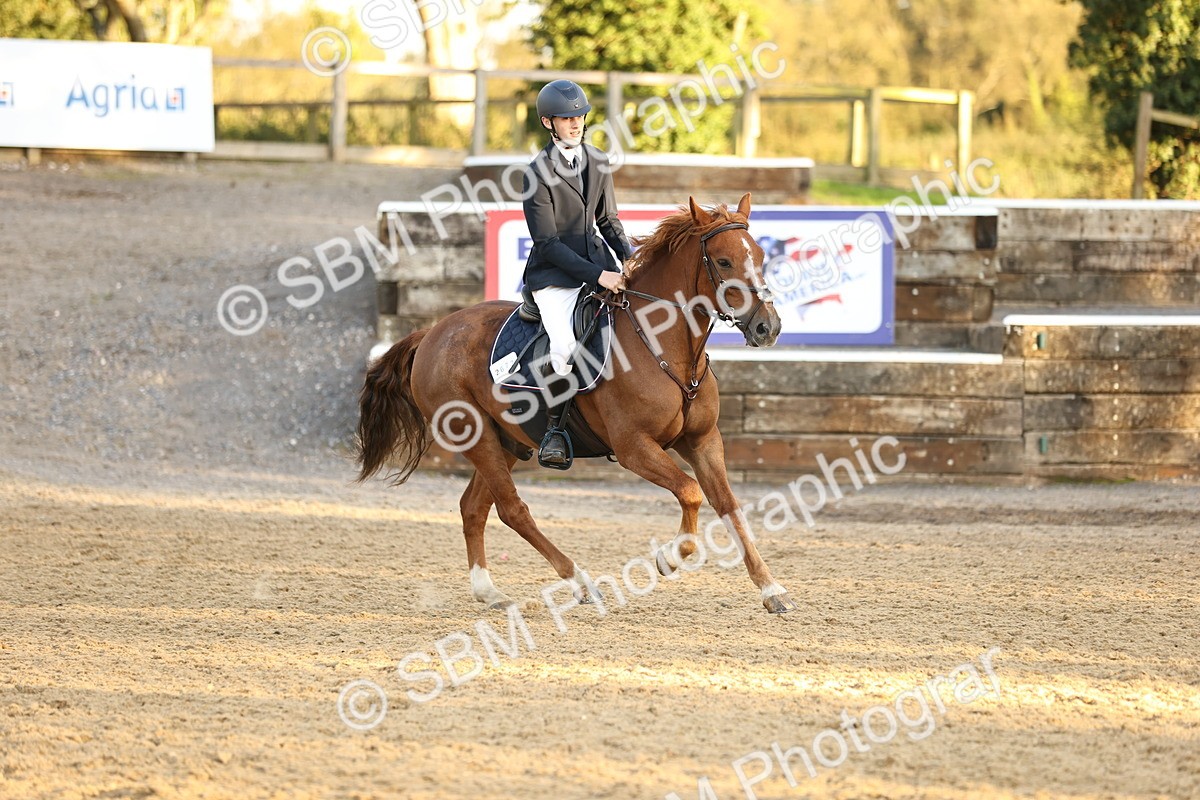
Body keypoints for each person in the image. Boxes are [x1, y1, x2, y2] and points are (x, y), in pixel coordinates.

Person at [521, 79, 630, 466]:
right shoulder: (536, 173)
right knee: (565, 349)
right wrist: (597, 277)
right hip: (554, 276)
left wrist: (628, 257)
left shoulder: (598, 160)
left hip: (601, 264)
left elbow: (608, 219)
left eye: (579, 116)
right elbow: (548, 243)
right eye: (566, 118)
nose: (575, 123)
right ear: (548, 123)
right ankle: (555, 430)